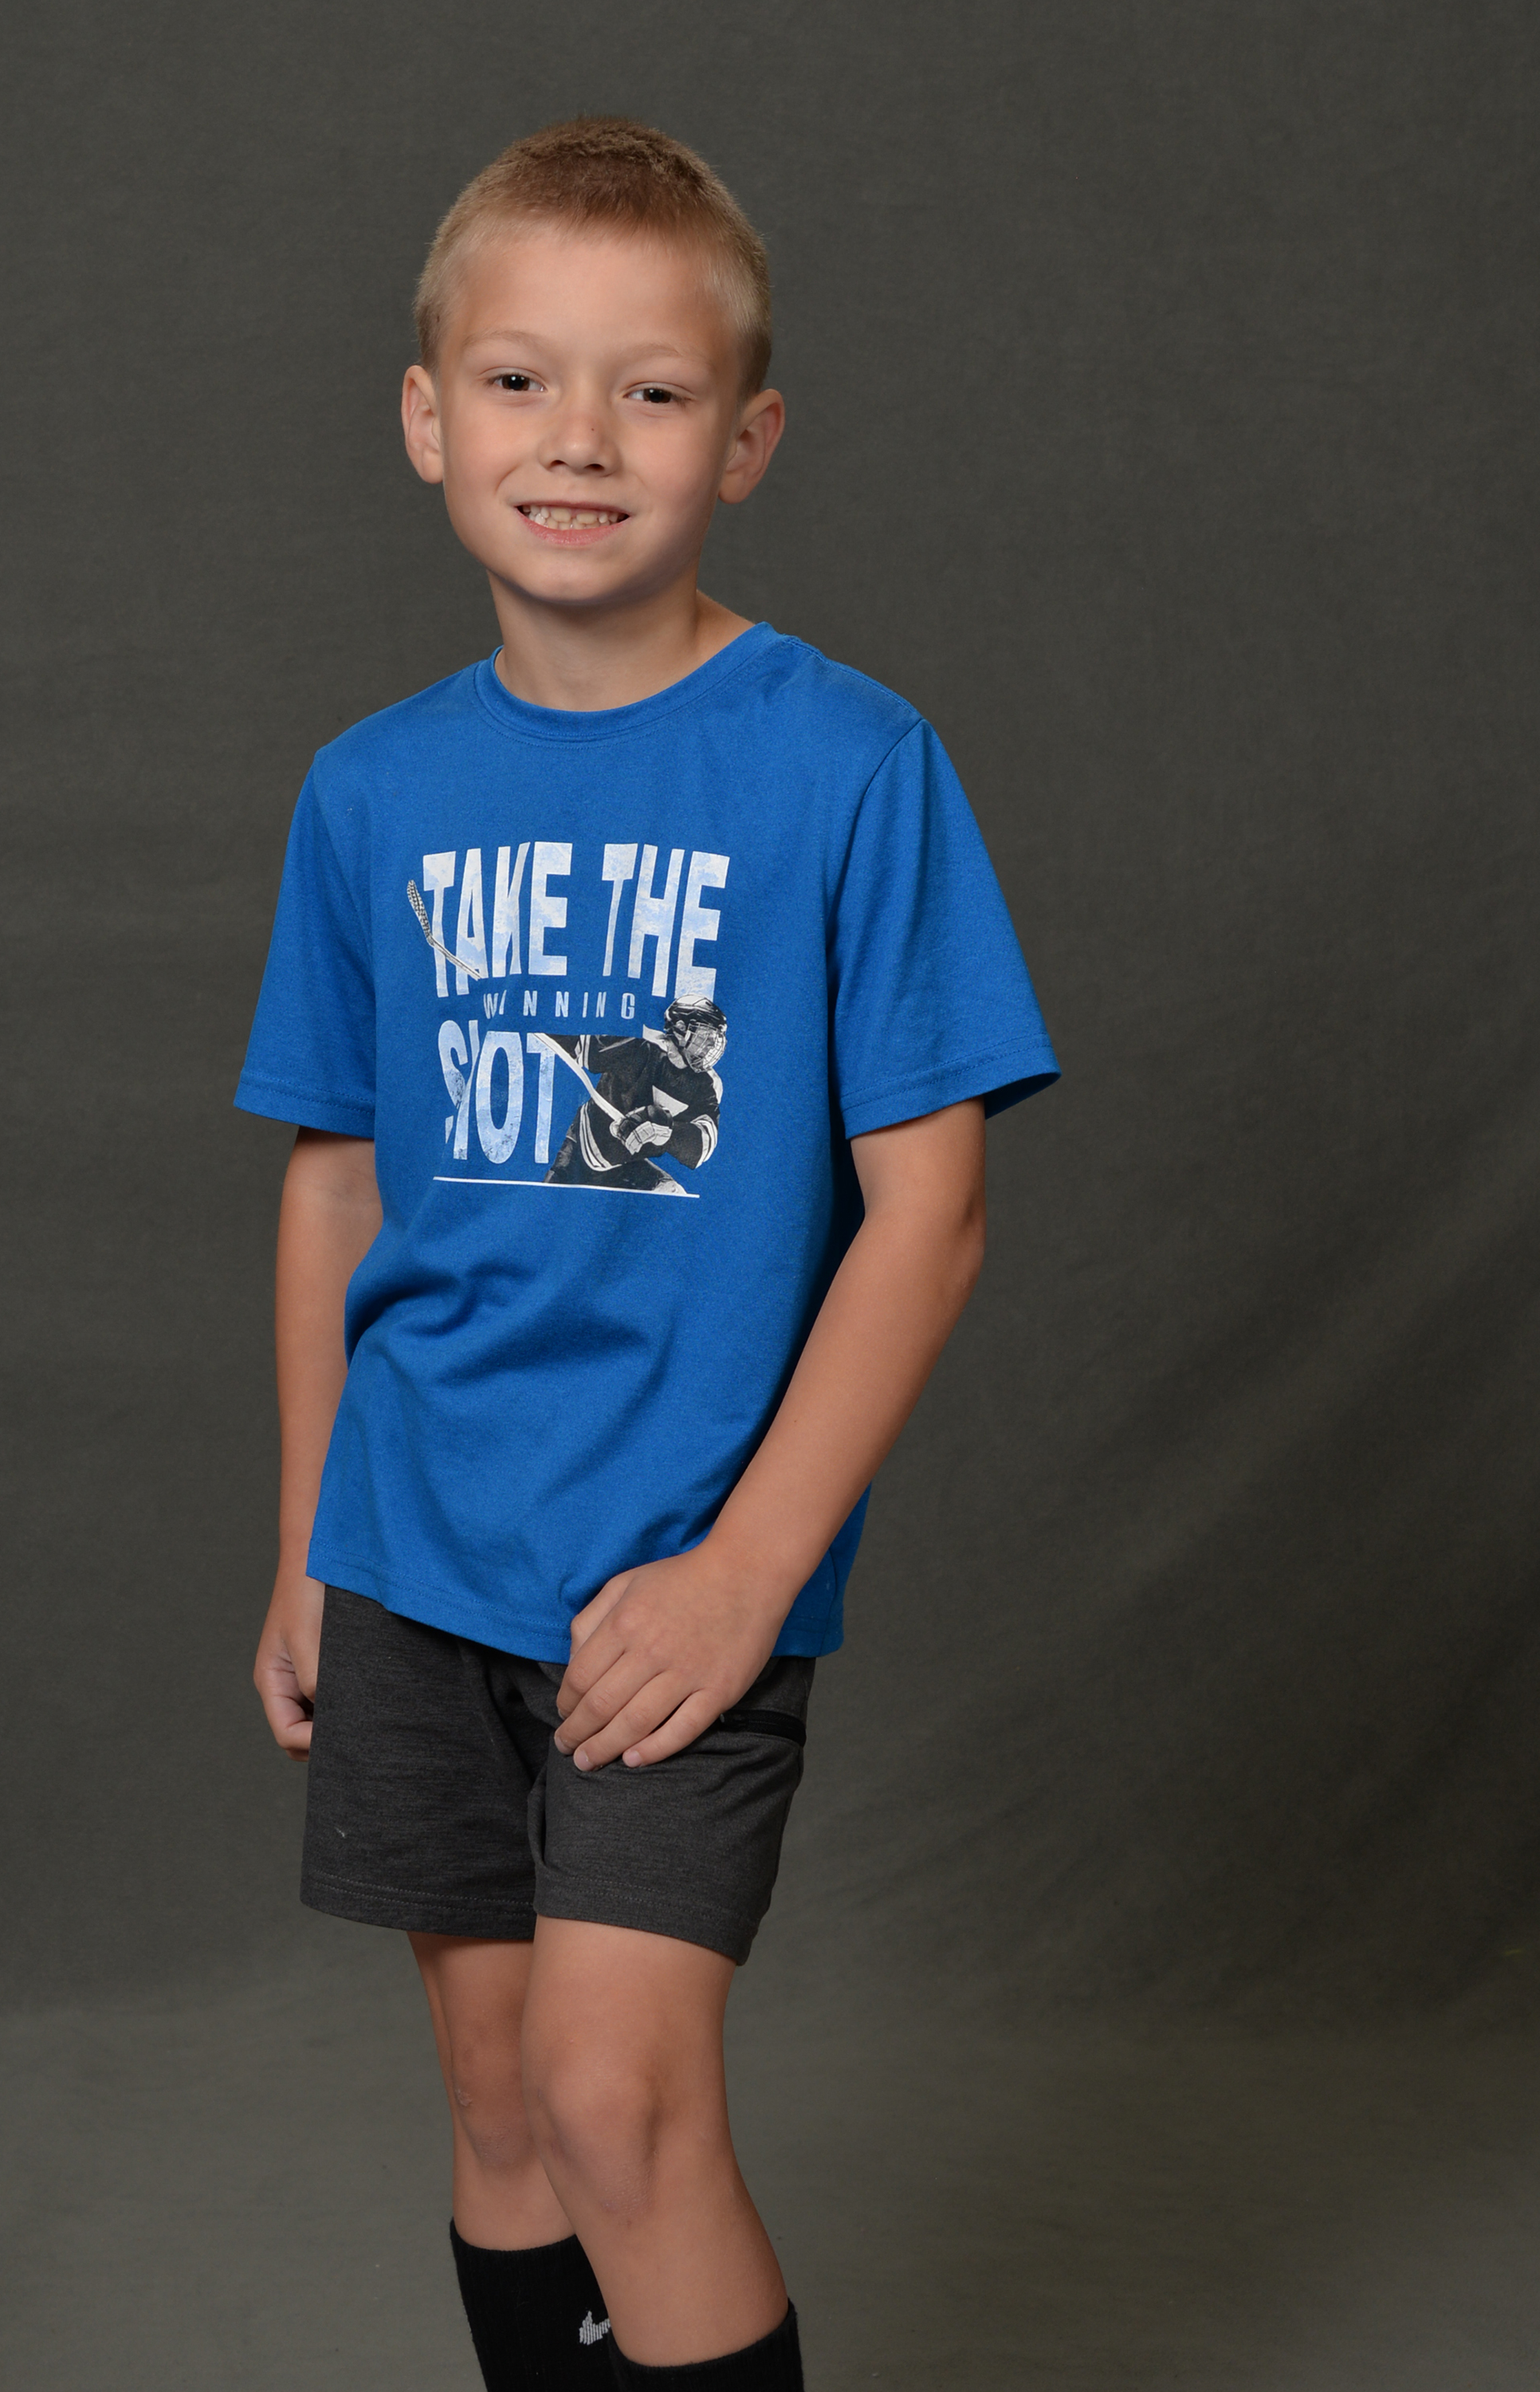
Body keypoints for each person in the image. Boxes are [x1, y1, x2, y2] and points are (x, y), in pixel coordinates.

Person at [237, 117, 1057, 2391]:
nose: (578, 438)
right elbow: (336, 1185)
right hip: (416, 1547)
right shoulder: (368, 794)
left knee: (617, 2097)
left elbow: (930, 1211)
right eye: (518, 381)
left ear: (746, 439)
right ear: (428, 421)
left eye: (652, 389)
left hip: (677, 1565)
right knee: (504, 2104)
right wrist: (304, 1540)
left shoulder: (846, 765)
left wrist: (745, 1570)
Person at [541, 995, 728, 1194]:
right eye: (705, 1036)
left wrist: (668, 1132)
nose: (710, 1046)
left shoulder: (707, 1084)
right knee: (549, 1201)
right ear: (681, 1028)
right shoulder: (640, 1046)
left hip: (628, 1165)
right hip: (585, 1148)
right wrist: (535, 1017)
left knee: (671, 1193)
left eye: (714, 1039)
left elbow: (704, 1145)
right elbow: (579, 1045)